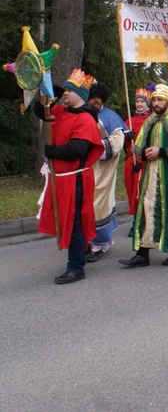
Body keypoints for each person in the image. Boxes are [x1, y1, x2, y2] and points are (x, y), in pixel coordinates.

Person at [32, 70, 104, 284]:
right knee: (71, 222)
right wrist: (50, 91)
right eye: (65, 91)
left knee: (73, 222)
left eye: (69, 91)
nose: (65, 95)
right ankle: (82, 252)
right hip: (62, 178)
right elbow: (41, 111)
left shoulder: (85, 119)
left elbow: (78, 149)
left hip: (76, 178)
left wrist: (51, 151)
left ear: (79, 95)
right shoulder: (62, 110)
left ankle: (76, 267)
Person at [119, 84, 168, 268]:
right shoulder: (150, 120)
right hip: (150, 173)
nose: (156, 103)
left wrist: (161, 151)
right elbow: (140, 144)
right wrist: (143, 150)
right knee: (146, 209)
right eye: (154, 99)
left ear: (167, 101)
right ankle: (142, 253)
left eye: (160, 99)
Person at [85, 82, 127, 262]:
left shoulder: (110, 117)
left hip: (102, 169)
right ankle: (87, 241)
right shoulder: (82, 115)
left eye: (98, 97)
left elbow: (117, 142)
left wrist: (94, 148)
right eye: (91, 97)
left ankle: (100, 243)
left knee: (98, 205)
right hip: (83, 168)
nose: (94, 101)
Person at [123, 86, 153, 237]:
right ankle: (135, 220)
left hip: (145, 161)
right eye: (138, 102)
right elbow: (123, 146)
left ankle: (143, 222)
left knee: (143, 192)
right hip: (131, 161)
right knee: (132, 192)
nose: (140, 104)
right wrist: (126, 139)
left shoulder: (152, 119)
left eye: (142, 102)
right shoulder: (128, 120)